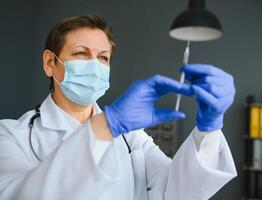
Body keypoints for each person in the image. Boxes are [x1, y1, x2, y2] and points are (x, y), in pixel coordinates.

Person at [0, 14, 237, 200]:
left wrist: (208, 128)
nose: (95, 65)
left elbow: (173, 192)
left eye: (103, 58)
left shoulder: (130, 137)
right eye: (82, 53)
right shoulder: (11, 136)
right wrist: (107, 124)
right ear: (50, 63)